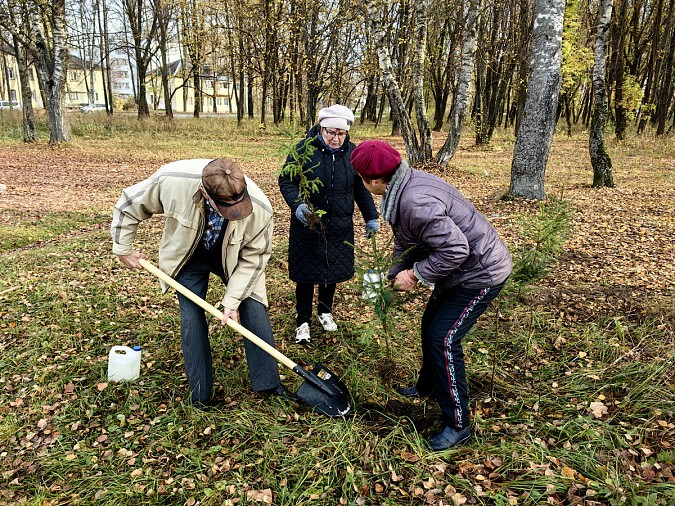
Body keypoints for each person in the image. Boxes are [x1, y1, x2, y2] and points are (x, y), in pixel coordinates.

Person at [350, 140, 513, 451]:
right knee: (430, 327)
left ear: (371, 180)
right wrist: (392, 273)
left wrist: (414, 275)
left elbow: (455, 249)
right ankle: (427, 387)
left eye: (360, 178)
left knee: (444, 339)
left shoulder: (414, 201)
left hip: (481, 273)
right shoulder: (404, 186)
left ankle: (458, 424)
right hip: (460, 271)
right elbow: (408, 241)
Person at [111, 158, 292, 409]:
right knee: (191, 314)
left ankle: (269, 384)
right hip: (190, 254)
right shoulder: (171, 181)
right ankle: (200, 394)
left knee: (254, 306)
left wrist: (232, 301)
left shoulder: (260, 208)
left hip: (236, 256)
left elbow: (255, 258)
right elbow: (129, 203)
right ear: (204, 193)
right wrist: (123, 249)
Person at [279, 104, 379, 344]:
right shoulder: (302, 150)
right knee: (305, 274)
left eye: (341, 133)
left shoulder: (353, 154)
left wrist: (371, 216)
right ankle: (302, 320)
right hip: (309, 224)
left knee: (330, 271)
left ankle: (325, 312)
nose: (336, 138)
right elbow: (287, 181)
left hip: (339, 225)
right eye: (331, 132)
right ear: (321, 128)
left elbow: (360, 188)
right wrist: (298, 205)